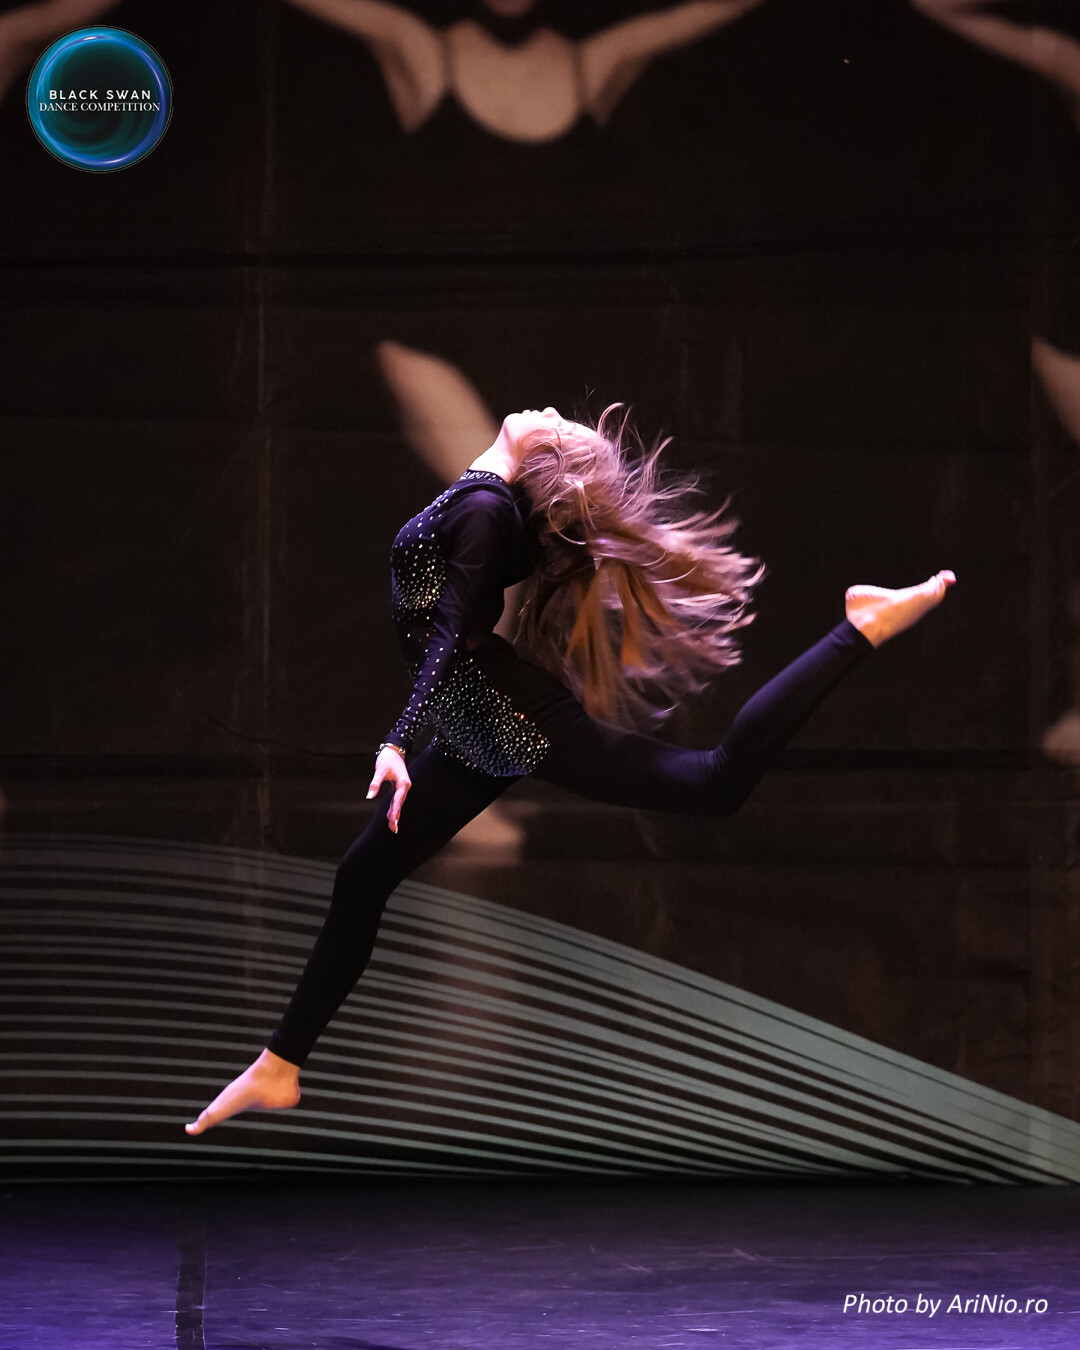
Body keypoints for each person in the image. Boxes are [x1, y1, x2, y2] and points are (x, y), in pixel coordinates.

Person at [186, 405, 955, 1135]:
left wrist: (395, 741)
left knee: (713, 781)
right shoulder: (485, 499)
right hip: (477, 721)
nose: (548, 410)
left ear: (542, 457)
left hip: (499, 713)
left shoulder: (485, 509)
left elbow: (446, 632)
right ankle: (279, 1066)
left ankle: (857, 629)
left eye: (558, 424)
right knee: (362, 877)